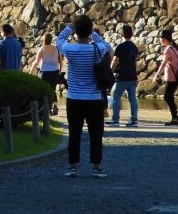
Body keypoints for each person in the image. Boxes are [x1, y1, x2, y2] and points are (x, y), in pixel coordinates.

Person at [57, 14, 109, 178]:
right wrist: (93, 31)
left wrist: (70, 27)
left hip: (74, 97)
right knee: (96, 133)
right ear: (89, 31)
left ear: (76, 32)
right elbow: (103, 43)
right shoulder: (98, 49)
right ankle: (97, 166)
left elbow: (59, 39)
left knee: (74, 133)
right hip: (94, 98)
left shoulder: (70, 49)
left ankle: (73, 165)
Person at [107, 24, 139, 126]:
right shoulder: (134, 47)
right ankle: (134, 119)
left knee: (116, 96)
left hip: (123, 76)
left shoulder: (121, 46)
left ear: (122, 34)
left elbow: (115, 60)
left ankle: (115, 119)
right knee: (132, 98)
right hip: (133, 75)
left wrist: (110, 71)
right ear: (132, 34)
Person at [155, 28, 178, 125]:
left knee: (167, 97)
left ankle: (175, 117)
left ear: (164, 39)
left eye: (160, 38)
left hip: (170, 77)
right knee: (169, 97)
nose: (160, 41)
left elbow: (164, 63)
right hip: (176, 77)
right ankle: (175, 117)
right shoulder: (176, 49)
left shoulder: (168, 49)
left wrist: (157, 74)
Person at [30, 32, 63, 115]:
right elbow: (61, 61)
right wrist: (59, 70)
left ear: (43, 40)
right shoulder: (57, 49)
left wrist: (30, 72)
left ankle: (46, 109)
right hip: (55, 71)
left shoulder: (41, 49)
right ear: (51, 40)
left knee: (44, 90)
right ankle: (55, 105)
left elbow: (36, 62)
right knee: (53, 89)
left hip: (44, 72)